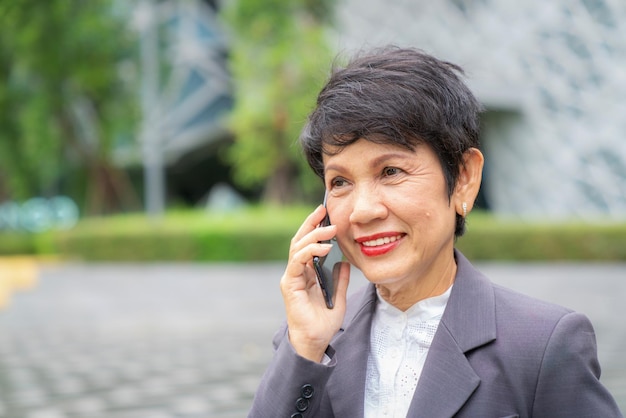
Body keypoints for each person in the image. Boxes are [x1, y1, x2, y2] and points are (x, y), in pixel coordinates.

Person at [248, 46, 623, 418]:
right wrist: (305, 349)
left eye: (391, 172)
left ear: (463, 178)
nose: (362, 211)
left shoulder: (543, 345)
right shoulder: (311, 339)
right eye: (340, 181)